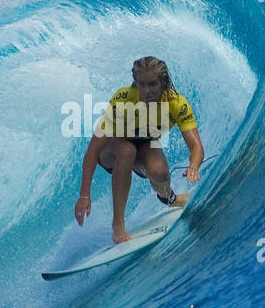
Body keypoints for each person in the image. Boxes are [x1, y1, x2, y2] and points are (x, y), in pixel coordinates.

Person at [74, 56, 205, 244]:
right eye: (141, 84)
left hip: (144, 145)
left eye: (152, 84)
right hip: (114, 148)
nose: (146, 91)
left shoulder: (176, 103)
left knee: (159, 171)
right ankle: (118, 224)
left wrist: (193, 167)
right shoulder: (124, 99)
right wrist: (84, 195)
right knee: (127, 151)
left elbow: (196, 146)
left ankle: (171, 199)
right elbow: (93, 150)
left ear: (164, 83)